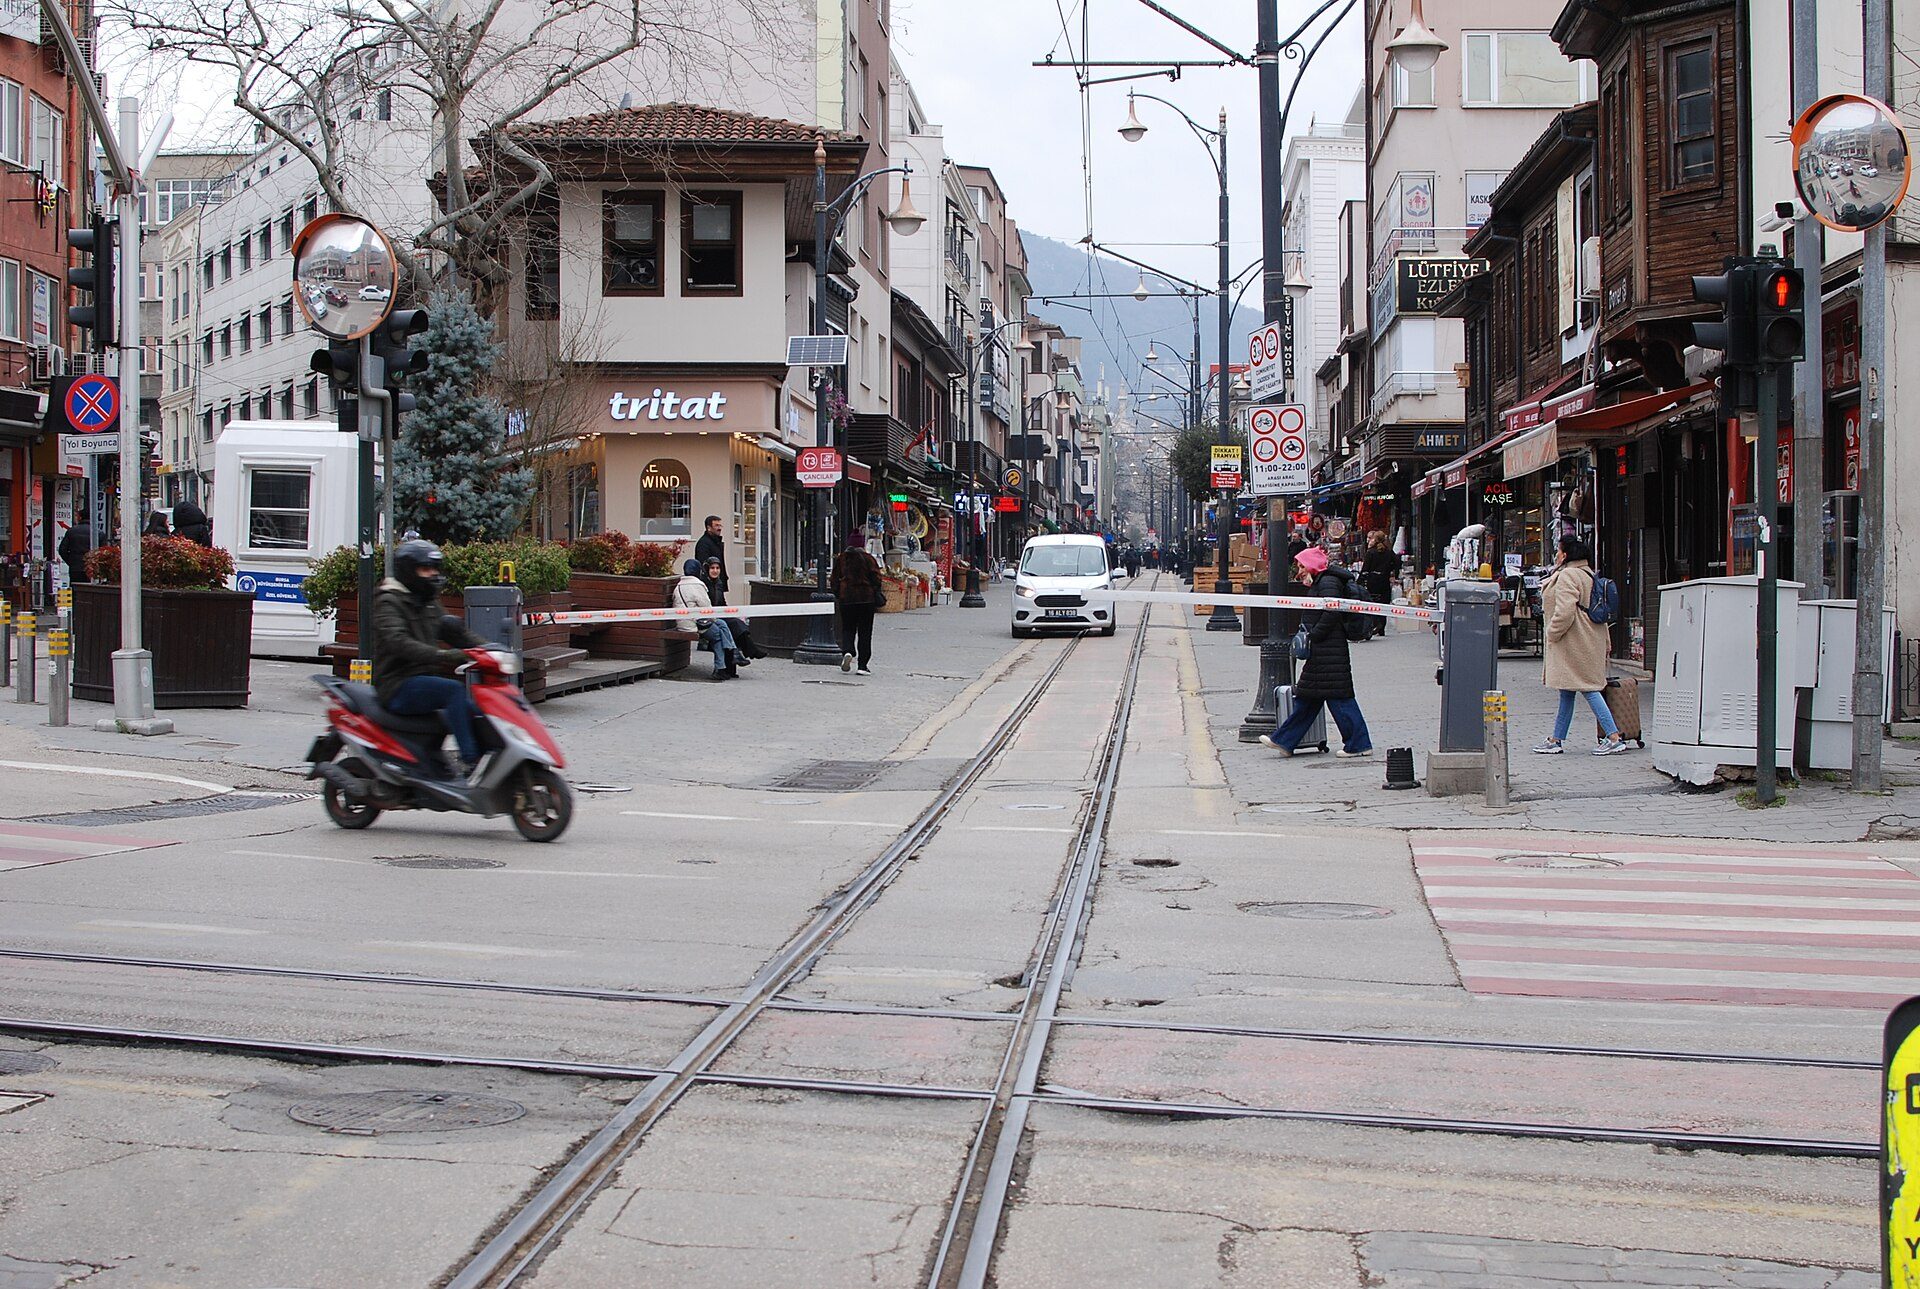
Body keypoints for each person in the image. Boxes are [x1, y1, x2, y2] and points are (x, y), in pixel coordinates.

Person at [370, 539, 489, 779]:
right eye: (426, 569)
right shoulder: (389, 601)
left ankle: (487, 757)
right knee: (453, 691)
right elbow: (398, 642)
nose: (433, 574)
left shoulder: (426, 600)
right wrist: (443, 656)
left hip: (422, 679)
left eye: (435, 568)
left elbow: (452, 631)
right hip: (397, 683)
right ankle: (470, 761)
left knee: (475, 709)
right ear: (409, 571)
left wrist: (490, 649)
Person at [1259, 546, 1373, 758]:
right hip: (1325, 649)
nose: (1299, 571)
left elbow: (1331, 613)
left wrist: (1314, 635)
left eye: (1302, 566)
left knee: (1338, 697)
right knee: (1309, 696)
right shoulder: (1324, 581)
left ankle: (1358, 744)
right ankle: (1284, 741)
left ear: (1312, 565)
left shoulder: (1328, 582)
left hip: (1328, 648)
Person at [1535, 535, 1630, 756]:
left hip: (1573, 642)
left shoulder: (1568, 576)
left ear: (1565, 554)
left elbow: (1565, 611)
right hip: (1588, 638)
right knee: (1568, 691)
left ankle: (1613, 737)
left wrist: (1552, 633)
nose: (1556, 555)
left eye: (1558, 551)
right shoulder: (1588, 574)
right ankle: (1556, 739)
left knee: (1588, 687)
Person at [674, 558, 747, 680]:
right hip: (694, 624)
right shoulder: (697, 586)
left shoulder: (679, 586)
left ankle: (734, 653)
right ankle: (720, 668)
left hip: (684, 621)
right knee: (718, 635)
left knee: (722, 624)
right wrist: (714, 619)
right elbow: (707, 608)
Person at [831, 529, 884, 675]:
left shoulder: (842, 559)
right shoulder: (868, 559)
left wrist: (838, 594)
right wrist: (875, 591)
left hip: (847, 599)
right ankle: (862, 665)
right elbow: (877, 578)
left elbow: (834, 580)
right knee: (865, 633)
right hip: (866, 600)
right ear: (862, 544)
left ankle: (847, 651)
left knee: (847, 629)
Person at [700, 554, 765, 659]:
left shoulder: (719, 583)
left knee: (738, 622)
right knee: (734, 624)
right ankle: (749, 651)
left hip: (720, 613)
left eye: (717, 568)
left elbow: (722, 602)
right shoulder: (704, 584)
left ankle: (749, 651)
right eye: (712, 568)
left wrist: (729, 611)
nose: (715, 571)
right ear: (707, 569)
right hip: (710, 616)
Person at [1360, 529, 1401, 639]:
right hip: (1384, 580)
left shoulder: (1371, 552)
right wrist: (1390, 570)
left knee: (1372, 603)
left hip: (1372, 581)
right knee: (1384, 603)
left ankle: (1374, 624)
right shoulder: (1388, 552)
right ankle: (1382, 627)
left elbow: (1365, 569)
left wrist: (1359, 581)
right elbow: (1397, 562)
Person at [694, 515, 727, 597]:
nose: (719, 528)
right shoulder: (703, 544)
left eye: (720, 525)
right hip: (710, 585)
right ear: (709, 528)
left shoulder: (716, 543)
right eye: (716, 525)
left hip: (717, 583)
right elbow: (704, 565)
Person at [56, 522, 89, 586]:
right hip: (91, 570)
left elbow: (62, 550)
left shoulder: (71, 531)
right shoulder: (98, 533)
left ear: (80, 517)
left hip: (75, 568)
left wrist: (71, 562)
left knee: (75, 589)